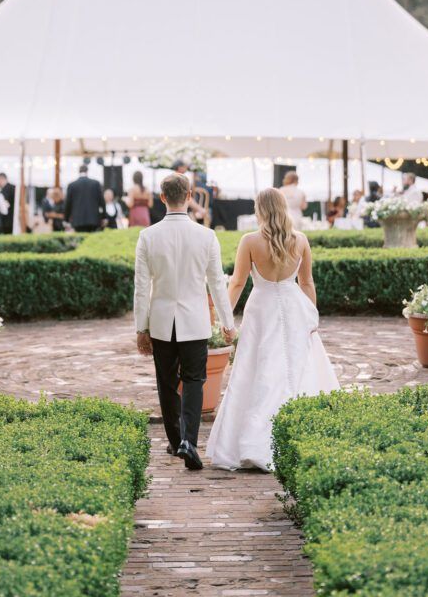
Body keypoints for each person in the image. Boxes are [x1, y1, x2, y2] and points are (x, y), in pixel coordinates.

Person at [206, 187, 339, 472]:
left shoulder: (250, 241)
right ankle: (299, 437)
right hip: (294, 307)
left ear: (260, 209)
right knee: (297, 367)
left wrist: (225, 320)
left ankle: (256, 442)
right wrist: (312, 316)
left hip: (260, 309)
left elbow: (238, 282)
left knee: (258, 370)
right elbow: (307, 283)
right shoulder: (300, 240)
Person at [134, 173, 235, 471]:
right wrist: (228, 323)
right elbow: (217, 284)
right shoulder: (206, 236)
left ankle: (175, 439)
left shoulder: (148, 236)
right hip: (194, 321)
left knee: (166, 383)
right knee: (194, 380)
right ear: (190, 196)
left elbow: (141, 288)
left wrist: (141, 328)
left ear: (162, 197)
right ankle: (188, 442)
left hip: (162, 321)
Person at [65, 163, 105, 232]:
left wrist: (66, 219)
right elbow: (101, 201)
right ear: (87, 171)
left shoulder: (72, 185)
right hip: (93, 219)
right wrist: (104, 217)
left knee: (80, 237)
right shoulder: (96, 184)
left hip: (77, 220)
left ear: (79, 171)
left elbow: (68, 203)